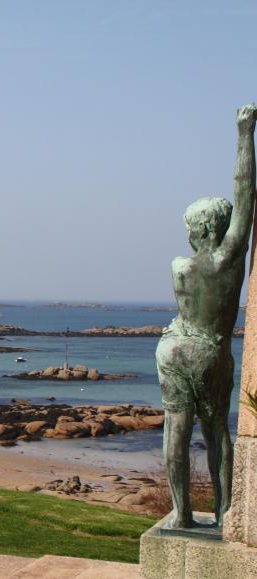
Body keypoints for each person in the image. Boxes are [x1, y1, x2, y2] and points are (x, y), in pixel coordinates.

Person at [155, 104, 257, 528]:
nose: (188, 235)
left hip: (172, 348)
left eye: (191, 228)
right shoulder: (228, 261)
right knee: (217, 431)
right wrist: (244, 135)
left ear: (202, 230)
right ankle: (223, 511)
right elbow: (244, 191)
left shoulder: (181, 265)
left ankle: (180, 515)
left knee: (174, 429)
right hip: (209, 352)